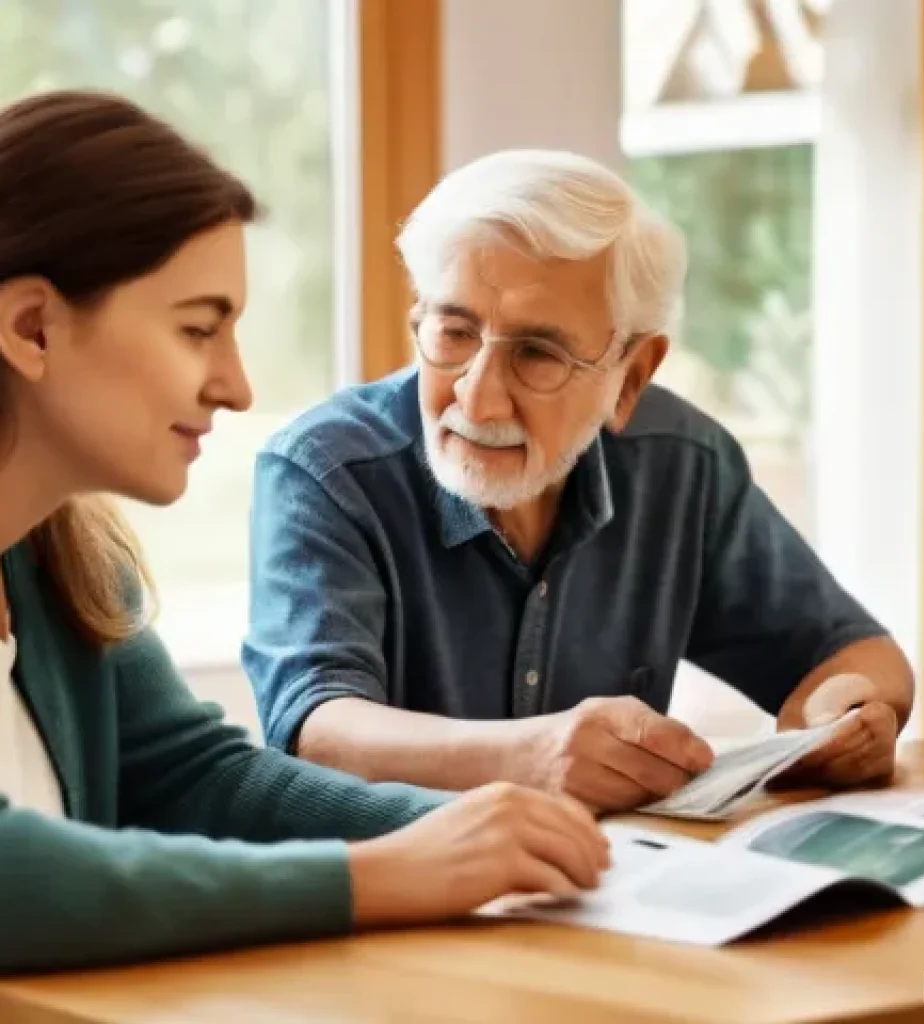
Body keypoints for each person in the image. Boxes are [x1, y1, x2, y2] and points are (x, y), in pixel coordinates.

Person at [0, 92, 610, 975]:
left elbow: (193, 779)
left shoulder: (64, 563)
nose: (237, 386)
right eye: (199, 329)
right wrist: (380, 875)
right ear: (32, 327)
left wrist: (471, 836)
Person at [243, 148, 915, 813]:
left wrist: (846, 712)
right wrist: (531, 757)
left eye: (537, 354)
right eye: (453, 332)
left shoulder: (682, 464)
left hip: (614, 893)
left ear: (631, 376)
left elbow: (860, 656)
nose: (477, 401)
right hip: (399, 900)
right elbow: (315, 731)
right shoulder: (326, 471)